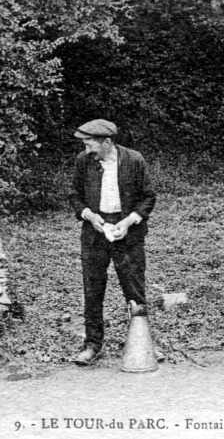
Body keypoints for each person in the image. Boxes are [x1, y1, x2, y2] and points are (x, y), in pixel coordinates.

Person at [68, 119, 157, 365]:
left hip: (128, 232)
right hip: (94, 233)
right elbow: (74, 195)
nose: (87, 150)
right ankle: (92, 344)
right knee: (93, 288)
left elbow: (148, 197)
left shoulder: (134, 160)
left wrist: (128, 222)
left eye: (90, 144)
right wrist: (89, 215)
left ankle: (145, 342)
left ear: (107, 142)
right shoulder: (83, 161)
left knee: (134, 287)